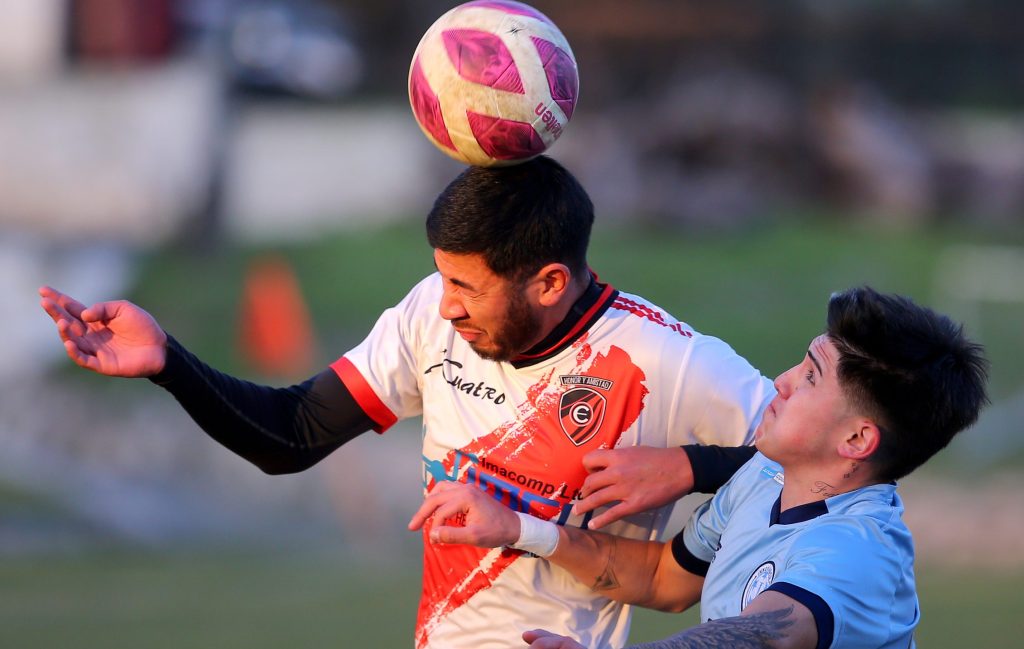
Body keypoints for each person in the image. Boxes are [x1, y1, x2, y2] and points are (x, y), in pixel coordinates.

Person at [39, 155, 774, 649]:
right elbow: (293, 434)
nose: (445, 307)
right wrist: (168, 360)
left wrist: (690, 464)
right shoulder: (431, 313)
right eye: (441, 280)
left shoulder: (667, 360)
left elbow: (822, 464)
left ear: (549, 283)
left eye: (467, 287)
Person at [410, 286, 989, 649]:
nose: (783, 382)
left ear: (858, 438)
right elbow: (664, 579)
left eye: (811, 376)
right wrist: (517, 528)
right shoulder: (764, 478)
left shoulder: (856, 551)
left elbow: (766, 634)